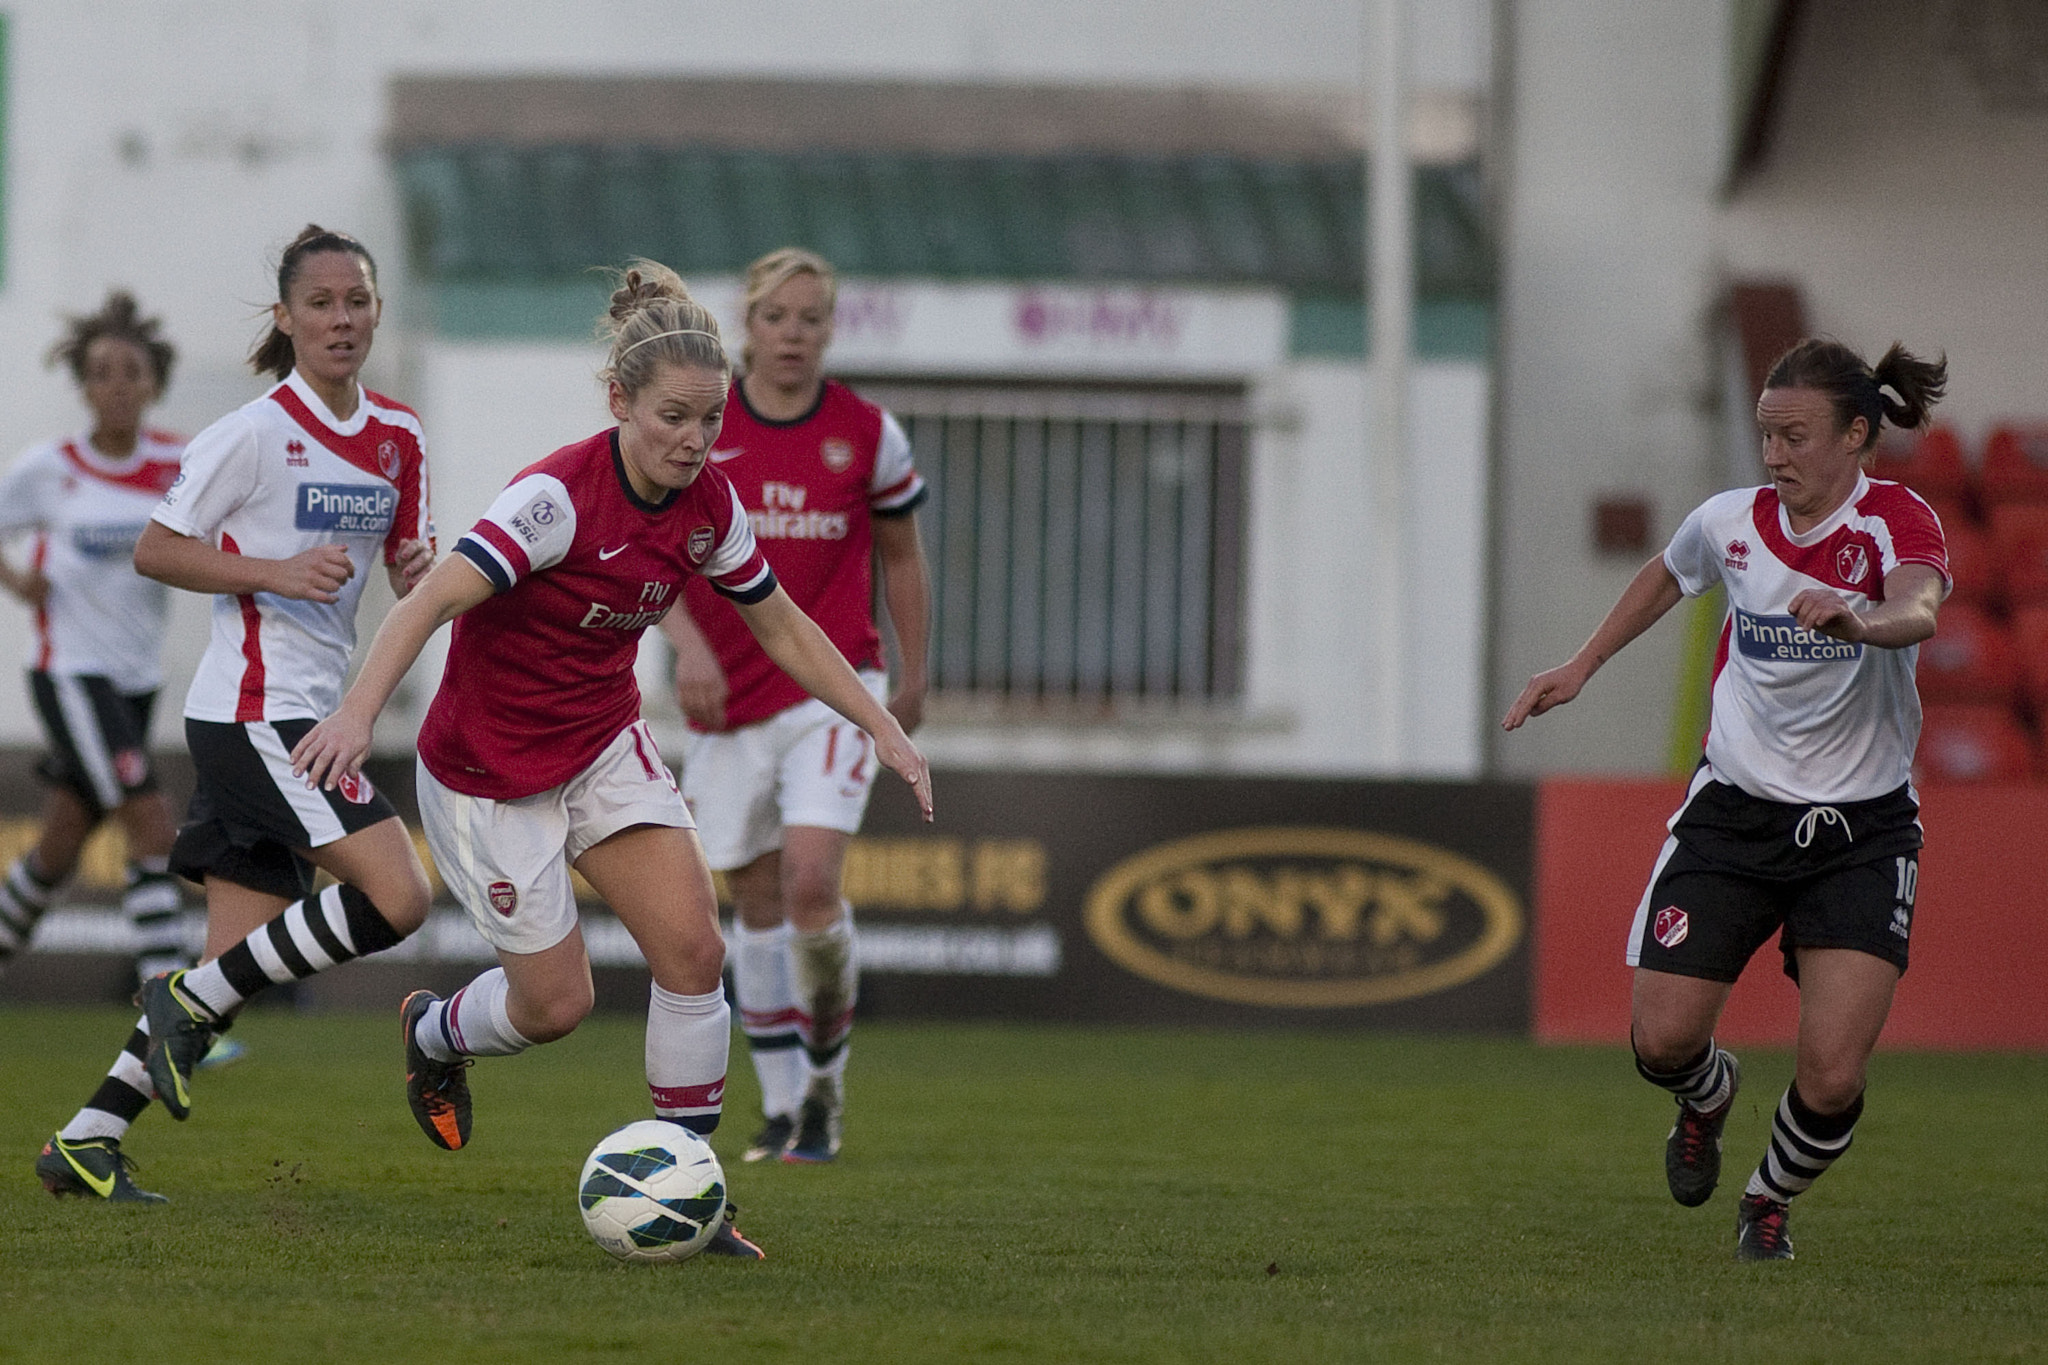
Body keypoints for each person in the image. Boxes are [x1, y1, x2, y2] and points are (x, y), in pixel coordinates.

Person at [288, 261, 933, 1260]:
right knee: (557, 1008)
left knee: (693, 953)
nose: (693, 440)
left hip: (598, 748)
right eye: (673, 417)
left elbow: (785, 627)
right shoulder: (553, 501)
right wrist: (357, 714)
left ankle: (696, 1195)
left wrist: (878, 723)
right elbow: (427, 602)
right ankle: (435, 1034)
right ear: (619, 401)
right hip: (485, 772)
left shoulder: (709, 504)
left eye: (711, 421)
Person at [1502, 338, 1950, 1262]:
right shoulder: (1729, 521)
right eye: (1765, 435)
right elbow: (1670, 570)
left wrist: (1859, 620)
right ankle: (1706, 1098)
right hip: (1736, 812)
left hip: (1862, 830)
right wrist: (1582, 665)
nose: (1774, 454)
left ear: (1857, 435)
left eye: (1794, 436)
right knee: (1661, 1040)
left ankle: (1768, 1200)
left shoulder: (1896, 522)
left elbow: (1919, 607)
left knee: (1831, 1075)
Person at [35, 226, 437, 1204]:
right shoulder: (254, 433)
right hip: (258, 716)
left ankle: (84, 1143)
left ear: (376, 311)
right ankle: (184, 999)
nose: (341, 318)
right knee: (402, 897)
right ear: (286, 320)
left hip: (306, 714)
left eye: (357, 301)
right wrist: (270, 570)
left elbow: (408, 566)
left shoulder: (400, 436)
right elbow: (158, 549)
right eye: (321, 303)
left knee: (228, 967)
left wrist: (425, 574)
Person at [659, 247, 931, 1165]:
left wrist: (912, 677)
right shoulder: (703, 420)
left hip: (831, 692)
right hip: (727, 703)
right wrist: (689, 646)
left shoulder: (867, 431)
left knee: (813, 879)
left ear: (830, 328)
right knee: (757, 900)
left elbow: (901, 556)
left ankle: (826, 1092)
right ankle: (782, 1111)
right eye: (778, 316)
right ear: (749, 322)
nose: (793, 334)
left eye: (812, 318)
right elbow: (656, 545)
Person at [0, 293, 189, 991]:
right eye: (103, 371)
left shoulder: (182, 462)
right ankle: (169, 1005)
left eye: (130, 371)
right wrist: (21, 584)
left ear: (153, 384)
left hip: (137, 679)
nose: (116, 384)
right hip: (70, 673)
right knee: (150, 819)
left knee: (60, 842)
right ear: (82, 385)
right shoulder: (48, 468)